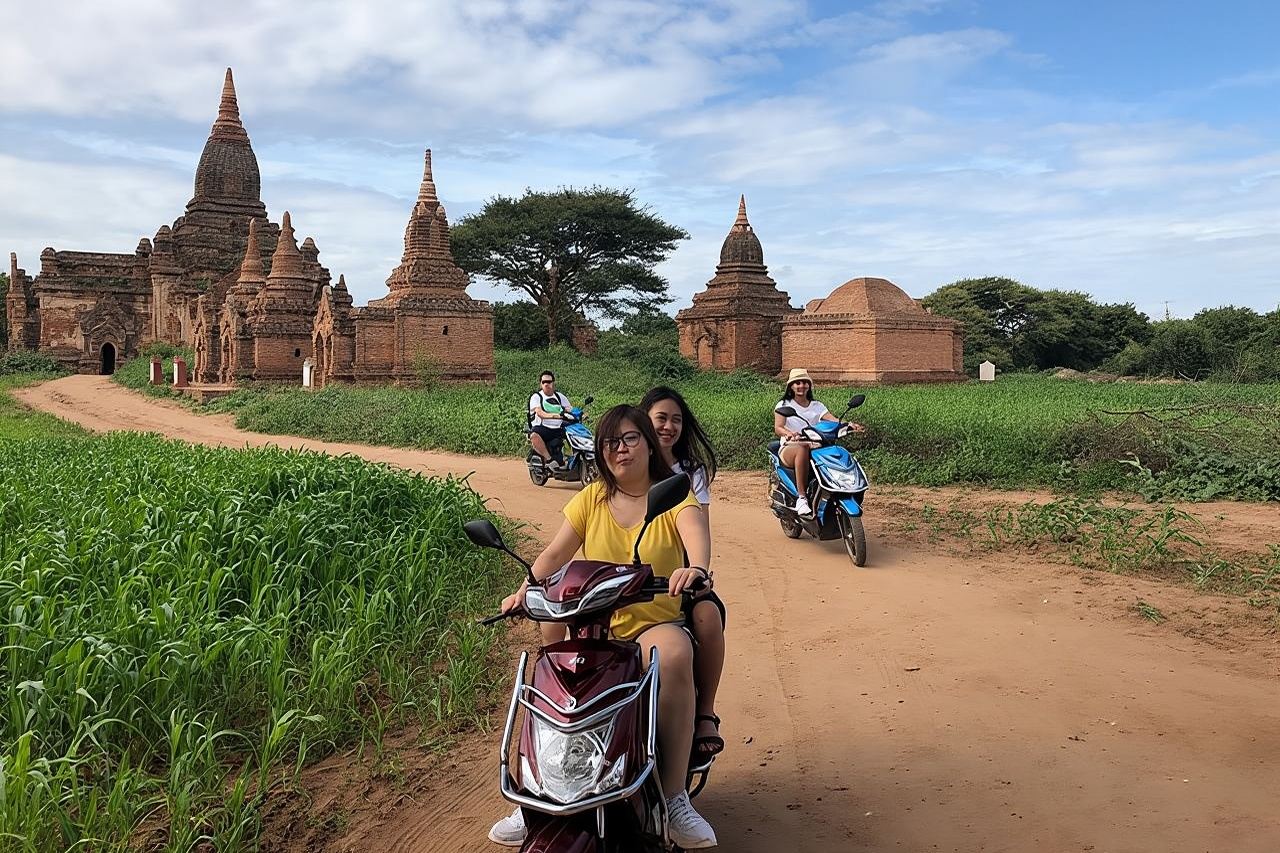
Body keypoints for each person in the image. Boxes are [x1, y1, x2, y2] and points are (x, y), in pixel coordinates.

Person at [488, 405, 718, 849]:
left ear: (648, 445)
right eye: (611, 442)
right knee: (550, 662)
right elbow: (554, 555)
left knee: (672, 655)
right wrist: (522, 591)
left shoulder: (672, 495)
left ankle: (674, 798)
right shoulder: (592, 498)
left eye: (630, 439)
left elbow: (696, 537)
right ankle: (538, 793)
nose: (620, 450)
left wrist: (696, 568)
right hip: (595, 626)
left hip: (653, 621)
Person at [640, 386, 725, 766]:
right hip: (628, 579)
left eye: (676, 420)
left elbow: (698, 527)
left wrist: (696, 570)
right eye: (661, 418)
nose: (669, 426)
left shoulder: (690, 472)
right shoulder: (629, 465)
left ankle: (705, 712)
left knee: (707, 615)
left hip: (675, 579)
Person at [774, 368, 863, 517]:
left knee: (838, 451)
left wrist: (848, 425)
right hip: (791, 447)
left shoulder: (817, 406)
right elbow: (778, 427)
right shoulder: (784, 405)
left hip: (816, 446)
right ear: (791, 386)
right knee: (802, 448)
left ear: (809, 385)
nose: (801, 386)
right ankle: (802, 498)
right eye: (797, 383)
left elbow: (833, 420)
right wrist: (789, 434)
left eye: (804, 382)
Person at [527, 370, 573, 470]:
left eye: (549, 382)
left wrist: (580, 414)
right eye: (544, 382)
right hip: (544, 428)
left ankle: (573, 457)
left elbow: (570, 410)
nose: (546, 384)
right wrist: (556, 416)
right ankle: (549, 459)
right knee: (534, 435)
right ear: (540, 384)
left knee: (573, 432)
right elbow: (540, 413)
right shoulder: (536, 397)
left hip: (559, 428)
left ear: (553, 383)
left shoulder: (560, 397)